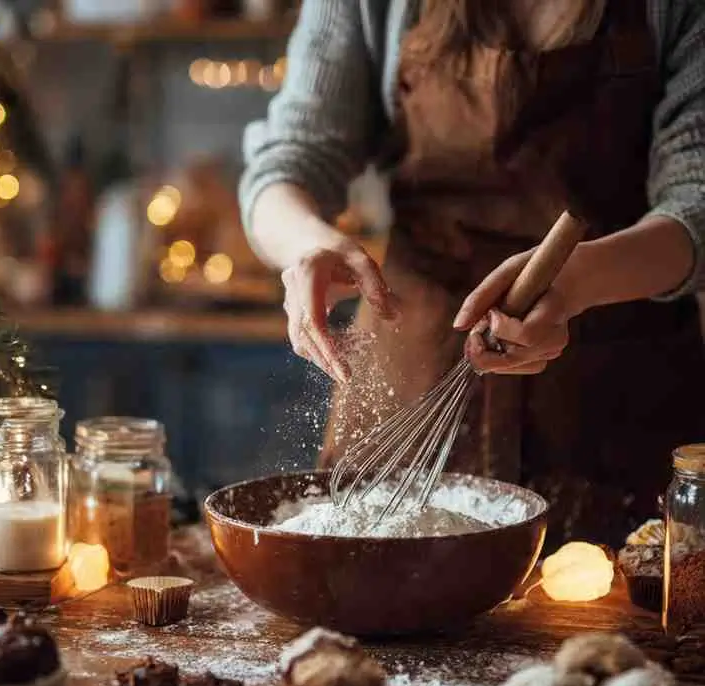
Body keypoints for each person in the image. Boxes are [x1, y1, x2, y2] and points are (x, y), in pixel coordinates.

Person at [239, 0, 705, 546]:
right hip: (413, 374)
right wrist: (308, 245)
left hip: (613, 393)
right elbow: (286, 163)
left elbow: (696, 203)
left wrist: (580, 280)